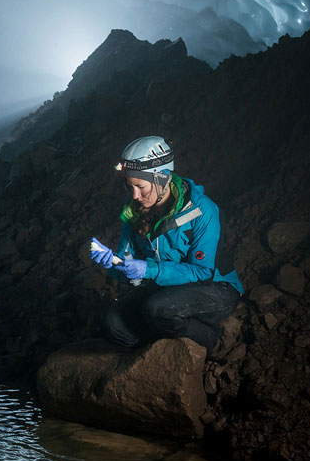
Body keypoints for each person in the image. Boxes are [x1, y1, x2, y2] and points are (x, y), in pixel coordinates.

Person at [89, 136, 244, 352]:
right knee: (111, 326)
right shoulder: (134, 209)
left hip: (215, 288)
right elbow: (129, 263)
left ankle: (215, 342)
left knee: (159, 309)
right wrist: (113, 264)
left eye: (141, 187)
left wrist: (150, 269)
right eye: (130, 186)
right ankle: (159, 345)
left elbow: (203, 272)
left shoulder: (202, 210)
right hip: (164, 286)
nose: (135, 195)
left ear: (162, 178)